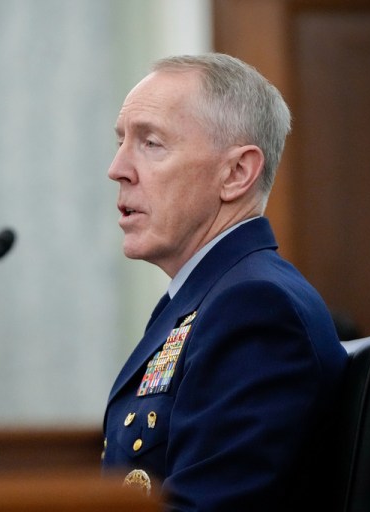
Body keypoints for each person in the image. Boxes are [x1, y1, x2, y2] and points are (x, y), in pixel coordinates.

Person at [101, 53, 348, 511]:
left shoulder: (255, 307)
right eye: (121, 142)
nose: (117, 168)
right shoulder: (210, 296)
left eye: (151, 143)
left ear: (236, 173)